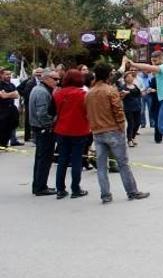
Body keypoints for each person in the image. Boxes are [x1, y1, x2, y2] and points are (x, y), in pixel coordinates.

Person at [86, 62, 149, 204]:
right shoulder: (110, 90)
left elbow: (90, 112)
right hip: (112, 130)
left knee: (102, 166)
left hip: (97, 131)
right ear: (109, 74)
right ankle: (132, 191)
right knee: (123, 163)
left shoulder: (90, 92)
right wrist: (121, 127)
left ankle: (105, 195)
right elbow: (118, 111)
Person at [52, 69, 90, 199]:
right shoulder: (83, 94)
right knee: (76, 159)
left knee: (62, 159)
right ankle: (75, 188)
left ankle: (60, 189)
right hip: (79, 129)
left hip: (62, 129)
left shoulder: (58, 93)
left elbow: (53, 111)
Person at [29, 68, 60, 196]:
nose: (57, 82)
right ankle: (40, 187)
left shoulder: (41, 89)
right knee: (44, 159)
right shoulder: (42, 92)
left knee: (41, 158)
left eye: (58, 79)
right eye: (55, 79)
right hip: (43, 129)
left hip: (40, 128)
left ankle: (38, 185)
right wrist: (50, 125)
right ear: (46, 78)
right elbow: (42, 113)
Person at [18, 67, 43, 142]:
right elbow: (19, 89)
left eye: (40, 72)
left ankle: (35, 136)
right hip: (29, 103)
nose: (38, 74)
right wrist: (25, 96)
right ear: (34, 74)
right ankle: (28, 136)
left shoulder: (44, 81)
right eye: (37, 72)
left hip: (39, 103)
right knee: (29, 119)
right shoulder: (29, 81)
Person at [118, 71, 142, 147]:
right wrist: (124, 94)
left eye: (131, 76)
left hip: (137, 107)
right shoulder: (123, 87)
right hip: (129, 108)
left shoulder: (135, 86)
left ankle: (133, 137)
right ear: (125, 79)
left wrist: (146, 92)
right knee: (131, 123)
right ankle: (129, 140)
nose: (130, 78)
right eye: (128, 77)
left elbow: (139, 95)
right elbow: (120, 97)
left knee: (138, 123)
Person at [0, 68, 21, 147]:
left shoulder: (11, 85)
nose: (9, 76)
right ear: (1, 75)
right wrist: (11, 94)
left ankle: (4, 144)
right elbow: (3, 96)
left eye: (9, 74)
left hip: (11, 109)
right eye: (6, 74)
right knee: (2, 128)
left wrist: (7, 94)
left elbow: (17, 95)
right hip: (2, 110)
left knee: (10, 127)